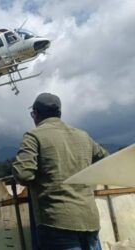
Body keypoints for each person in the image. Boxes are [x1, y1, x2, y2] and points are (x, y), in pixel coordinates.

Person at [12, 92, 109, 250]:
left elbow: (23, 174)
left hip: (56, 222)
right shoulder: (83, 136)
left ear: (36, 114)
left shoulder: (33, 136)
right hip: (89, 220)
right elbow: (106, 161)